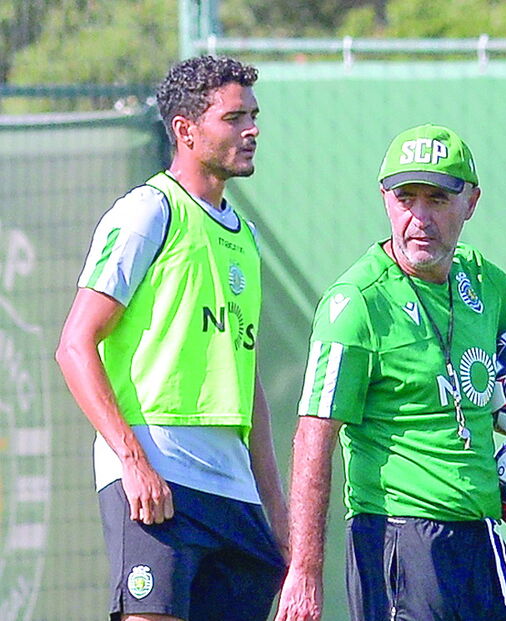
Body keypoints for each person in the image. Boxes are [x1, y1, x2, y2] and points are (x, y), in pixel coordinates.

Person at [275, 123, 506, 621]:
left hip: (483, 537)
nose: (420, 218)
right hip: (400, 539)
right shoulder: (355, 304)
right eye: (406, 198)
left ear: (471, 202)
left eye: (438, 200)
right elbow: (314, 437)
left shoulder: (481, 280)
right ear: (385, 199)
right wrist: (305, 571)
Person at [55, 55, 287, 621]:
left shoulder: (247, 238)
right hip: (158, 475)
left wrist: (277, 510)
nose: (251, 130)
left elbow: (246, 378)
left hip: (233, 489)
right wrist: (133, 461)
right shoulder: (148, 212)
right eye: (234, 118)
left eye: (253, 116)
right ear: (185, 130)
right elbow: (75, 345)